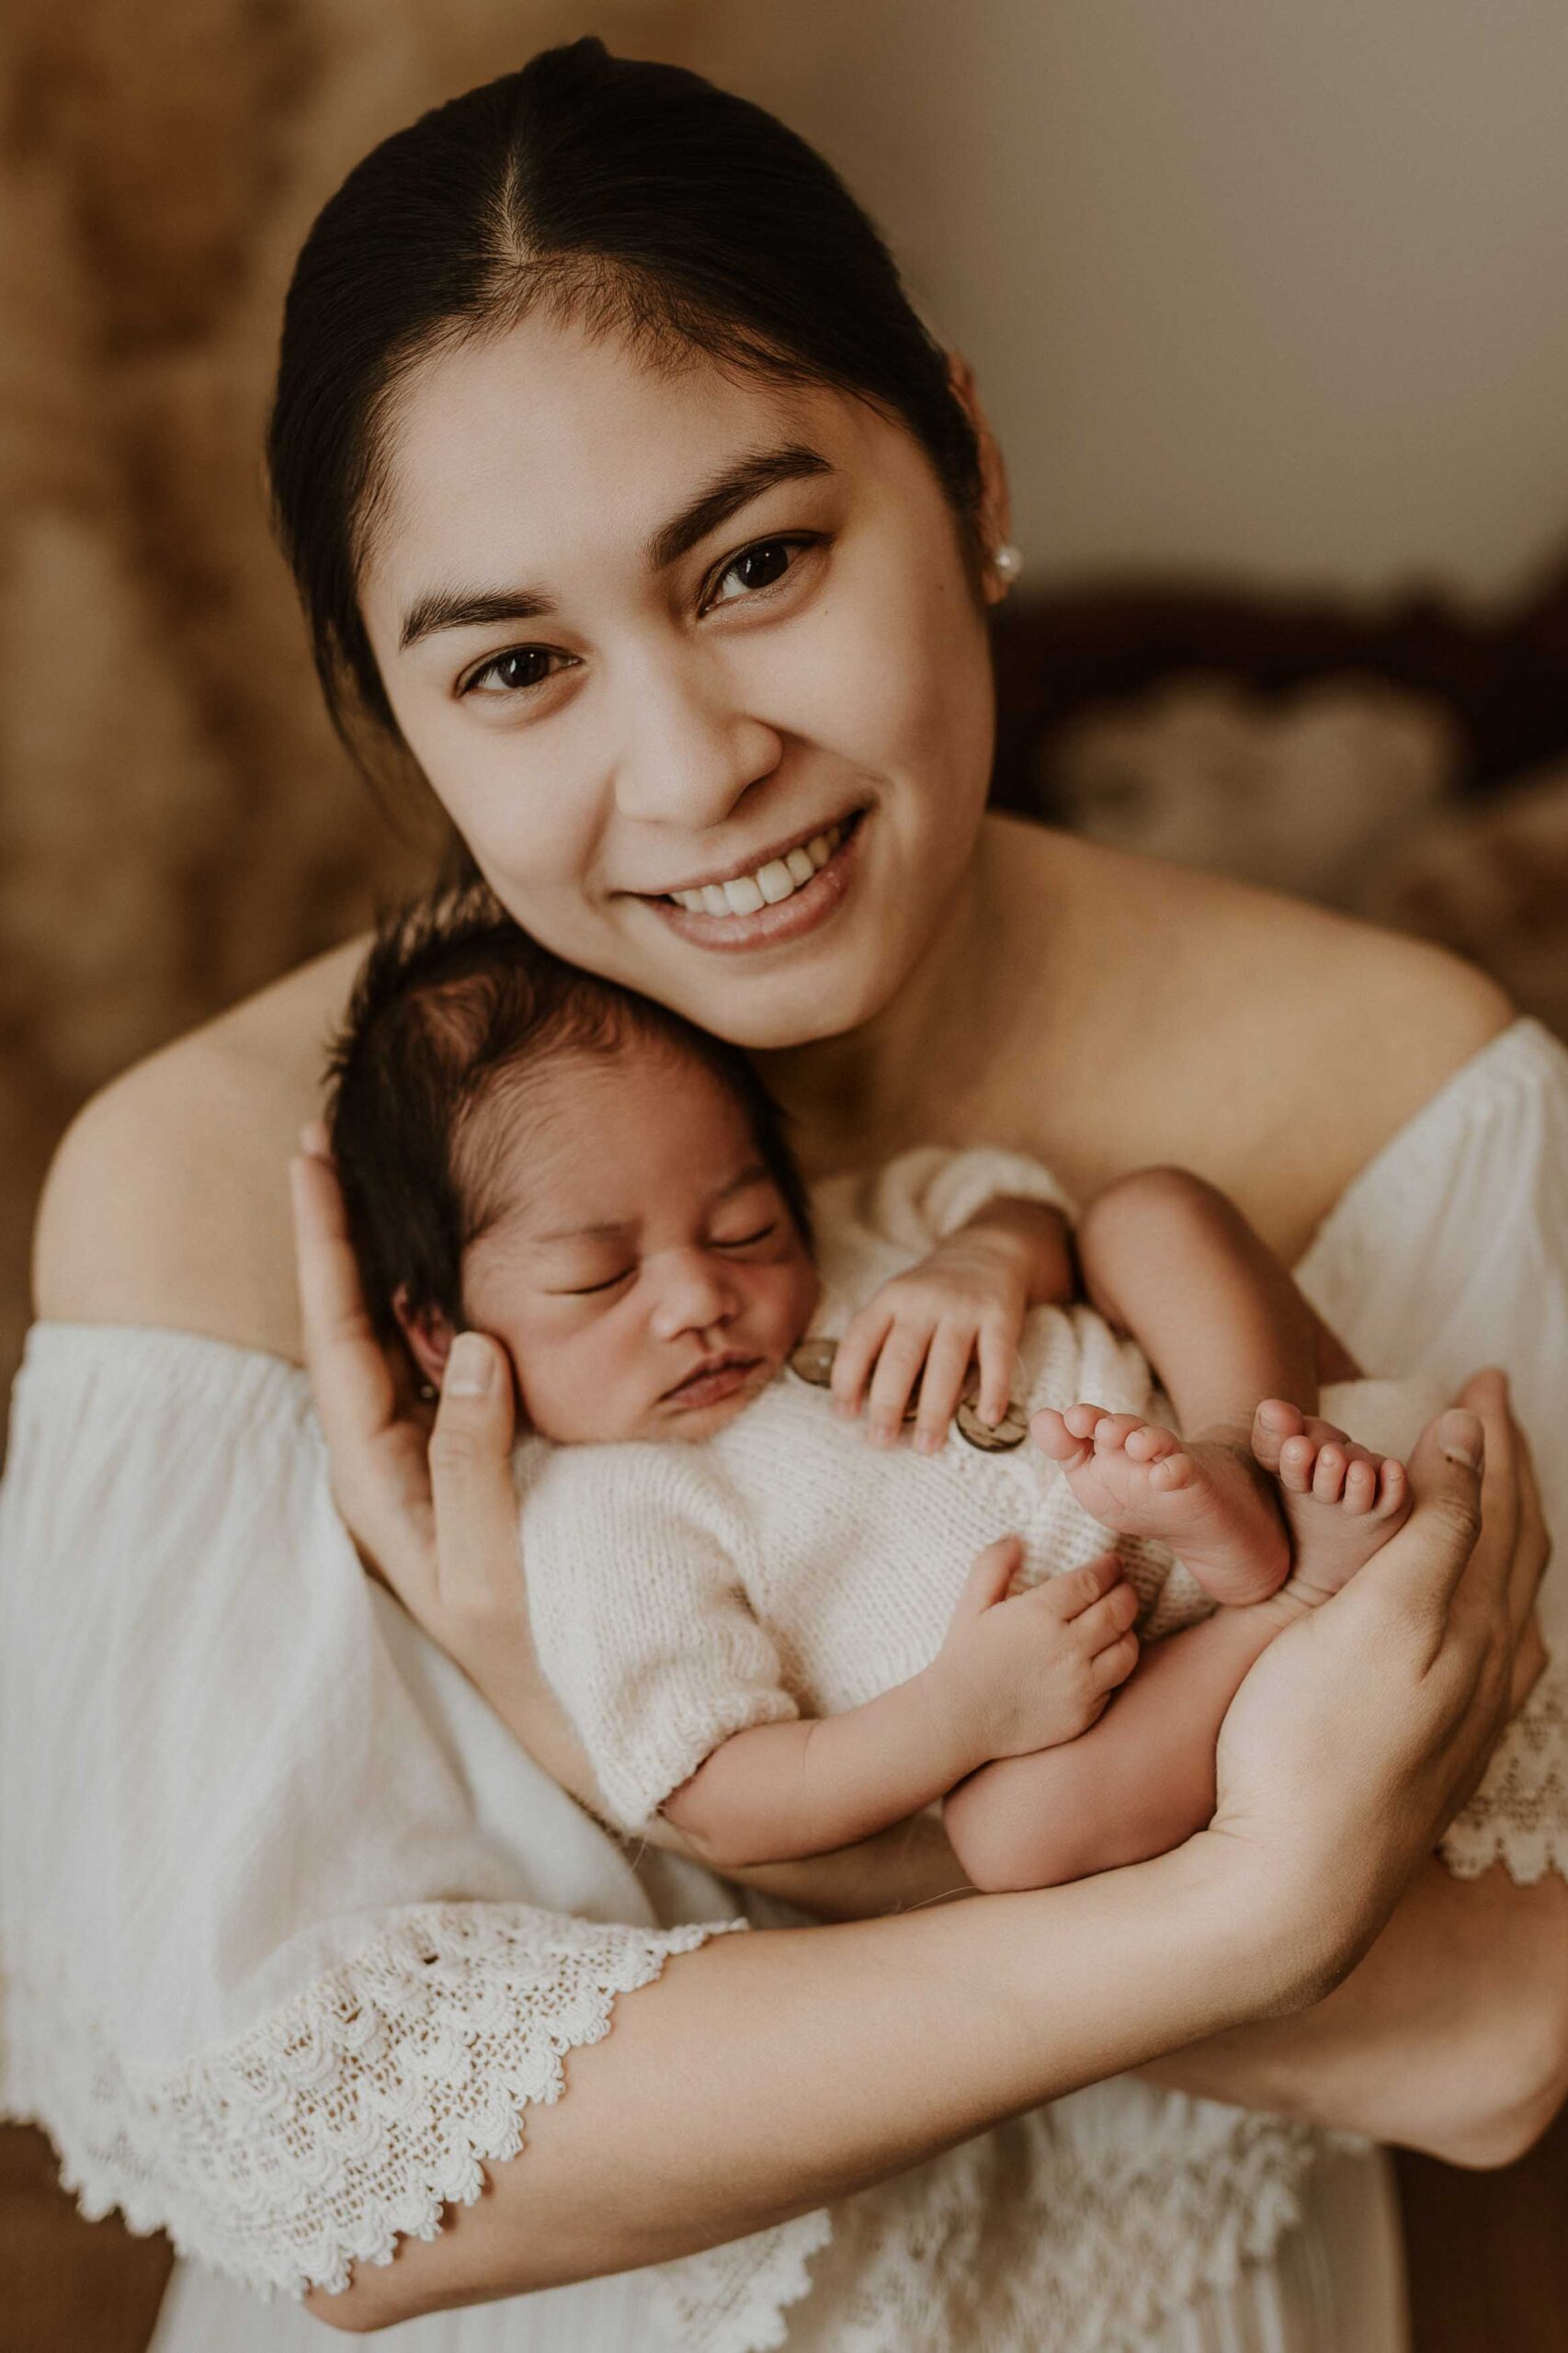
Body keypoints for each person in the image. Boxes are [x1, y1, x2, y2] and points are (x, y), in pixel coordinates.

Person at [2, 36, 1563, 2353]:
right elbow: (339, 2171)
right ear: (396, 715)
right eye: (514, 663)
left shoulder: (1400, 1087)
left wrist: (649, 1762)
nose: (689, 765)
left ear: (968, 470)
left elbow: (1488, 2029)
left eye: (755, 562)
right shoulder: (224, 1193)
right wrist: (1226, 1923)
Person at [325, 891, 1447, 1895]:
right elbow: (717, 1791)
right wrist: (958, 1715)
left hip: (1243, 1462)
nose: (700, 1296)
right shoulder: (598, 1519)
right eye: (598, 1278)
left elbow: (1025, 1211)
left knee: (1146, 1212)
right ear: (440, 1332)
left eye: (743, 1226)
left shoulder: (860, 1232)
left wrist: (989, 1257)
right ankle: (1285, 1604)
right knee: (1011, 1835)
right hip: (1110, 1708)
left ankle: (1239, 1458)